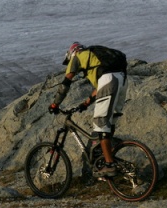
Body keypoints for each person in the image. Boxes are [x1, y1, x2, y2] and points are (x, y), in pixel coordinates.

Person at [48, 42, 128, 177]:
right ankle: (108, 154)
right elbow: (99, 88)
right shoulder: (95, 58)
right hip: (123, 79)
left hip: (109, 79)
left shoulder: (77, 57)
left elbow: (66, 83)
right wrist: (85, 104)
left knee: (101, 124)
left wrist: (55, 104)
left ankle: (109, 165)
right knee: (110, 123)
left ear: (72, 53)